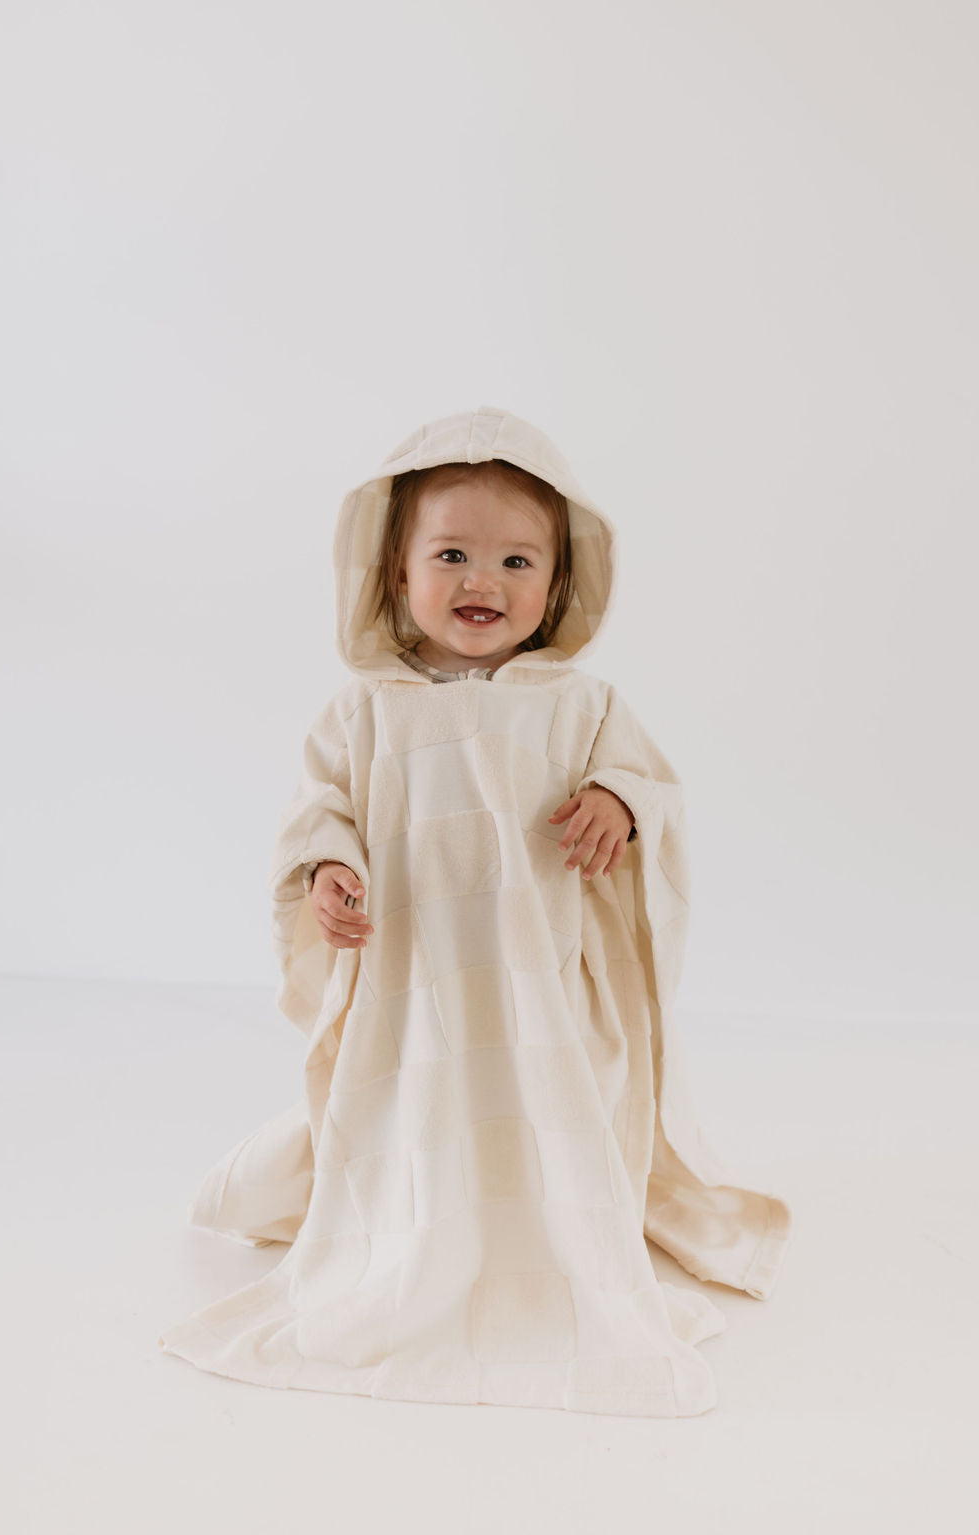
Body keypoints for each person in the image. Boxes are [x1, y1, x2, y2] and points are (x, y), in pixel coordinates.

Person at [158, 404, 793, 1417]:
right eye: (450, 552)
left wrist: (619, 803)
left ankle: (550, 1234)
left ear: (559, 581)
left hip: (539, 986)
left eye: (515, 561)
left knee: (552, 1120)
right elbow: (314, 810)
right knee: (415, 1124)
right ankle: (415, 1232)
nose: (481, 582)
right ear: (393, 571)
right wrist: (327, 869)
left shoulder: (580, 705)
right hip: (415, 989)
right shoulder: (364, 709)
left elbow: (652, 790)